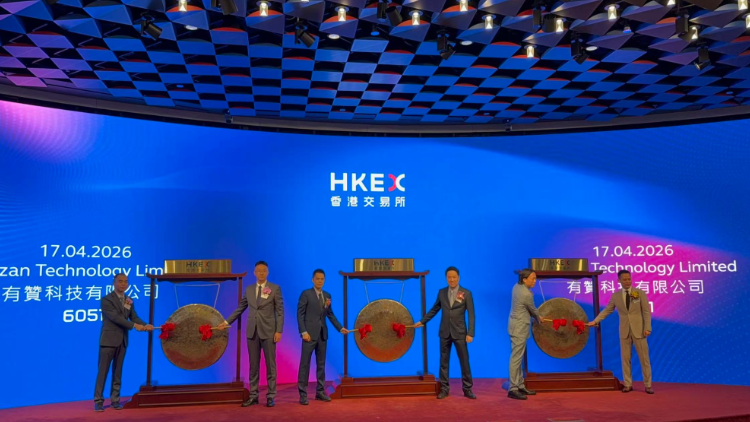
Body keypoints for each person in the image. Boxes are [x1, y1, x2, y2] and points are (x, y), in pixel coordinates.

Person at [218, 261, 284, 407]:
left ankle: (270, 396)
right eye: (258, 270)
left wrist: (279, 331)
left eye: (264, 270)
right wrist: (226, 322)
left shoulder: (275, 288)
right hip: (252, 332)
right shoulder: (249, 289)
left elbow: (280, 311)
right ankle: (253, 395)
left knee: (270, 365)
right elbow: (240, 308)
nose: (261, 273)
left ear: (267, 272)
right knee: (253, 366)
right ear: (254, 273)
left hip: (269, 332)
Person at [414, 266, 476, 400]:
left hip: (460, 333)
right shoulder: (442, 292)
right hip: (444, 332)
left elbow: (471, 315)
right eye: (449, 277)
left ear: (458, 278)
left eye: (454, 277)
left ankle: (467, 389)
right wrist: (423, 321)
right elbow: (435, 309)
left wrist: (470, 333)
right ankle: (444, 389)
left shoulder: (466, 293)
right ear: (446, 278)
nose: (452, 279)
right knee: (443, 362)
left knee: (464, 362)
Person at [587, 270, 653, 394]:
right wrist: (595, 321)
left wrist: (647, 328)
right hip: (624, 331)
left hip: (640, 331)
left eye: (629, 279)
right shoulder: (616, 296)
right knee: (625, 359)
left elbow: (646, 312)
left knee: (644, 359)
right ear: (619, 281)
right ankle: (628, 384)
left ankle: (648, 385)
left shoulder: (640, 293)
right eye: (625, 279)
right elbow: (607, 310)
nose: (628, 281)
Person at [94, 273, 153, 412]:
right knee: (103, 372)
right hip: (108, 341)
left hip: (122, 341)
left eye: (125, 281)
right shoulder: (106, 299)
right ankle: (98, 401)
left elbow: (133, 317)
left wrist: (145, 325)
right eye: (120, 281)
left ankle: (115, 400)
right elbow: (116, 318)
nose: (123, 284)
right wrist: (134, 326)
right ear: (114, 283)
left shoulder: (128, 300)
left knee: (117, 372)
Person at [296, 269, 349, 405]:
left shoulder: (327, 295)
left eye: (322, 279)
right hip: (309, 335)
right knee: (305, 364)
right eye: (317, 278)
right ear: (312, 280)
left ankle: (320, 392)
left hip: (322, 335)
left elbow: (330, 314)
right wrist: (303, 332)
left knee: (321, 365)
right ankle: (303, 394)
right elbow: (300, 314)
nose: (320, 281)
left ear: (324, 280)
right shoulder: (306, 294)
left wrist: (340, 328)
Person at [507, 268, 546, 400]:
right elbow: (533, 309)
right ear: (524, 279)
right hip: (519, 328)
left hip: (515, 326)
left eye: (535, 278)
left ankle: (520, 385)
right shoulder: (526, 294)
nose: (535, 281)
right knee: (516, 359)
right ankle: (513, 388)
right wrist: (539, 318)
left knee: (518, 358)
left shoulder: (516, 286)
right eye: (532, 279)